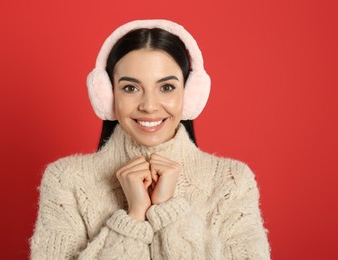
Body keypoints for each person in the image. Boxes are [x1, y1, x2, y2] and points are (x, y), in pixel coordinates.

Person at [30, 19, 270, 259]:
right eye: (130, 88)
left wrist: (170, 210)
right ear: (107, 95)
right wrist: (133, 218)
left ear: (190, 93)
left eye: (166, 87)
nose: (149, 106)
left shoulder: (232, 181)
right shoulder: (65, 180)